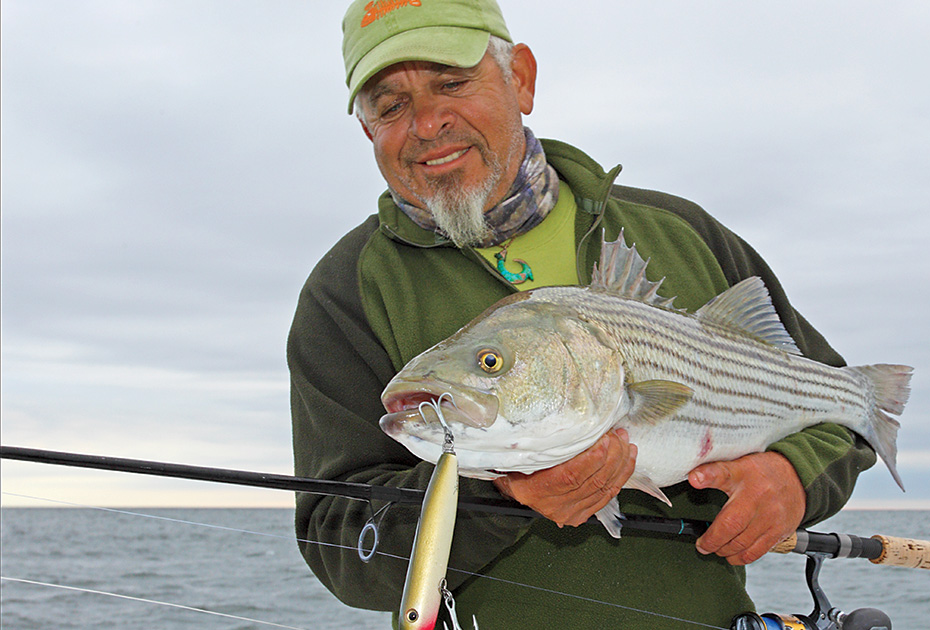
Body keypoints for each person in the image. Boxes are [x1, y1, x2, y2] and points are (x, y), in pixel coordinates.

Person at [289, 1, 877, 627]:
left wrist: (795, 477)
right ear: (367, 129)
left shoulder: (683, 232)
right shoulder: (344, 293)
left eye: (452, 83)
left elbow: (846, 411)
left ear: (521, 78)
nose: (428, 123)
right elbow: (340, 546)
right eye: (390, 105)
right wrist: (499, 498)